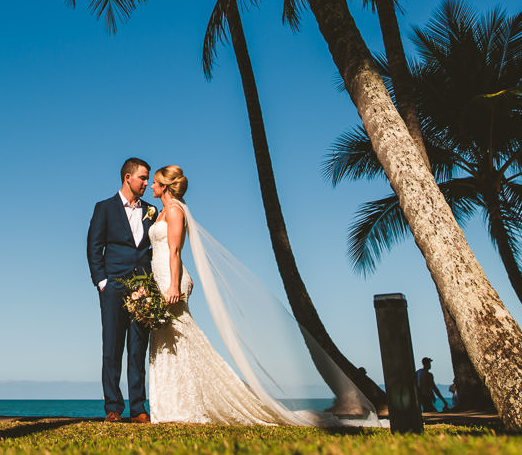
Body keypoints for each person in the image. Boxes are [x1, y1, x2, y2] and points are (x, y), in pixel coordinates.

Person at [144, 165, 375, 427]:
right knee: (166, 338)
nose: (151, 186)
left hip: (170, 280)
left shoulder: (174, 210)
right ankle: (170, 404)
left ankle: (181, 405)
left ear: (164, 186)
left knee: (178, 338)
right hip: (160, 277)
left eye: (154, 183)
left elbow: (175, 251)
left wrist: (174, 285)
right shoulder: (161, 212)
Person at [86, 157, 156, 423]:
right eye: (143, 178)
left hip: (143, 289)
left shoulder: (152, 211)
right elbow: (94, 246)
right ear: (128, 178)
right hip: (113, 287)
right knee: (112, 348)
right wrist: (102, 281)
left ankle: (138, 408)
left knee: (138, 349)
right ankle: (113, 408)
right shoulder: (104, 208)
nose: (146, 183)